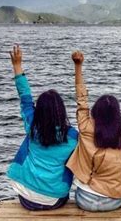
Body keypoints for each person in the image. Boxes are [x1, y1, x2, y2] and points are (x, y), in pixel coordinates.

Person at [7, 45, 78, 211]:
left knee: (29, 141)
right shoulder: (73, 137)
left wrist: (17, 66)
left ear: (39, 110)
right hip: (55, 200)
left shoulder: (32, 126)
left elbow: (25, 99)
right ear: (62, 111)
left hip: (26, 198)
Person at [66, 51, 121, 212]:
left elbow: (81, 101)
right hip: (113, 201)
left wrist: (78, 67)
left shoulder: (85, 128)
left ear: (95, 112)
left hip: (85, 199)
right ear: (118, 117)